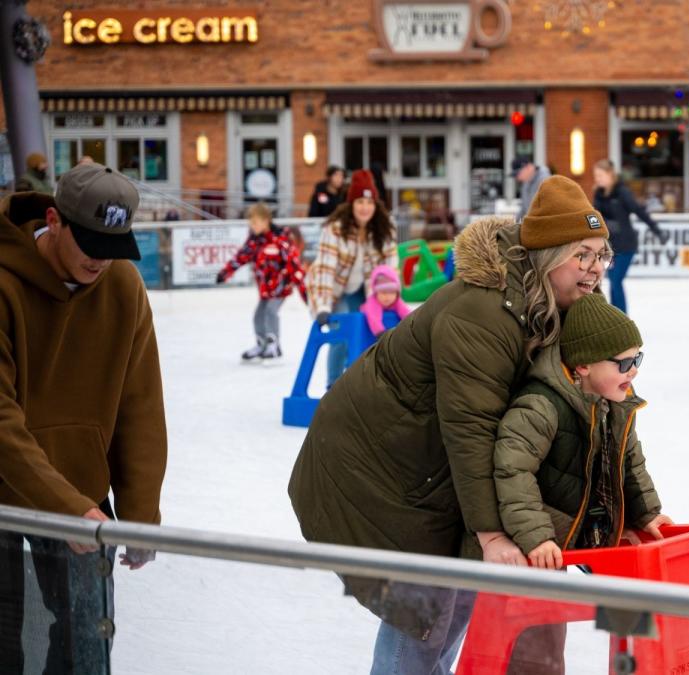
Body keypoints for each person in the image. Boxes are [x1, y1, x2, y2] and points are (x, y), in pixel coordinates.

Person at [288, 175, 612, 675]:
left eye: (601, 255)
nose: (594, 269)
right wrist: (491, 533)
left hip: (436, 467)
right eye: (583, 255)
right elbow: (471, 427)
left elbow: (579, 411)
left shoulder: (554, 309)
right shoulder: (483, 312)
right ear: (549, 255)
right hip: (379, 462)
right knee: (424, 610)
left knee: (455, 596)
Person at [0, 163, 167, 672]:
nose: (102, 259)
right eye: (91, 241)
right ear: (55, 220)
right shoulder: (5, 286)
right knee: (5, 644)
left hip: (82, 500)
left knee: (84, 648)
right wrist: (63, 504)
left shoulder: (123, 288)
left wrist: (141, 514)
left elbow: (139, 405)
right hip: (6, 501)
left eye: (114, 245)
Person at [493, 293, 671, 672]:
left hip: (585, 528)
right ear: (584, 365)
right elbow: (512, 470)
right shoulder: (539, 406)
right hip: (541, 536)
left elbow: (629, 461)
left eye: (638, 359)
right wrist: (535, 536)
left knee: (637, 596)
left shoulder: (614, 402)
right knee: (539, 636)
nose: (634, 370)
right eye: (624, 362)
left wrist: (647, 513)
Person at [308, 169, 398, 386]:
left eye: (369, 202)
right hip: (334, 291)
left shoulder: (383, 231)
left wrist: (391, 298)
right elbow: (325, 270)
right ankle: (334, 385)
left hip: (365, 290)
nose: (365, 208)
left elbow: (390, 268)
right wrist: (323, 306)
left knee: (367, 331)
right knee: (341, 332)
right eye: (359, 202)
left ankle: (359, 384)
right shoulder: (335, 230)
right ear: (351, 204)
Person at [215, 202, 307, 363]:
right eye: (251, 223)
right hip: (265, 288)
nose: (253, 226)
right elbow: (241, 257)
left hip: (280, 286)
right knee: (258, 316)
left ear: (266, 220)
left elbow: (294, 264)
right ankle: (262, 344)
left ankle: (274, 345)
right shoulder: (254, 240)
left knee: (271, 311)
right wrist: (225, 273)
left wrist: (304, 292)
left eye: (256, 223)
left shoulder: (281, 237)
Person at [592, 159, 668, 314]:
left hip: (626, 246)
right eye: (596, 176)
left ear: (610, 175)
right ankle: (614, 316)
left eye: (600, 175)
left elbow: (639, 211)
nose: (597, 179)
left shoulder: (622, 193)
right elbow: (594, 217)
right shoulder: (598, 195)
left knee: (616, 281)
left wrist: (656, 230)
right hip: (608, 248)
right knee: (611, 281)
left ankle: (622, 318)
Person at [360, 264, 410, 337]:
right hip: (369, 333)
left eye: (391, 292)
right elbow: (374, 320)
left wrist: (411, 326)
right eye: (383, 292)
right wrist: (382, 334)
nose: (387, 297)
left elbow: (406, 313)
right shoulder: (373, 302)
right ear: (376, 293)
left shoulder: (397, 301)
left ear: (397, 293)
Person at [512, 156, 550, 222]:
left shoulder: (546, 181)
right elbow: (524, 209)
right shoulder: (525, 184)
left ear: (528, 167)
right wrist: (513, 223)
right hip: (531, 226)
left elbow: (548, 209)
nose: (517, 178)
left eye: (518, 174)